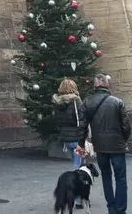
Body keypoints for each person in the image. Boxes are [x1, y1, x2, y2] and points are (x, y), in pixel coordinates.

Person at [79, 74, 130, 214]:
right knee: (120, 178)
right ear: (107, 85)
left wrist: (81, 144)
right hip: (117, 146)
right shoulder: (118, 102)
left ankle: (111, 208)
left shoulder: (87, 102)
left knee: (106, 176)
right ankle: (121, 210)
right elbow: (126, 126)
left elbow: (82, 126)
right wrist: (124, 139)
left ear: (95, 85)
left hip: (100, 146)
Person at [53, 79, 88, 208]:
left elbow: (57, 120)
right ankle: (78, 198)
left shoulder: (57, 102)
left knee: (76, 165)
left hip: (66, 139)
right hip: (77, 139)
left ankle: (74, 196)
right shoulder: (76, 101)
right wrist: (83, 139)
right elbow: (81, 120)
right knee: (79, 168)